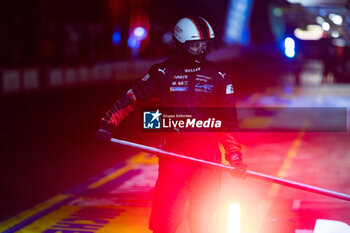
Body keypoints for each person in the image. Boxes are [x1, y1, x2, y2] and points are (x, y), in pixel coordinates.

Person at [96, 16, 247, 233]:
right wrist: (108, 124)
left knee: (203, 222)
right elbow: (131, 98)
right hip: (173, 156)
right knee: (163, 223)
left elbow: (228, 121)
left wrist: (234, 157)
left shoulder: (220, 76)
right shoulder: (162, 72)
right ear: (181, 45)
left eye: (205, 45)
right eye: (195, 45)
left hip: (207, 158)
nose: (201, 50)